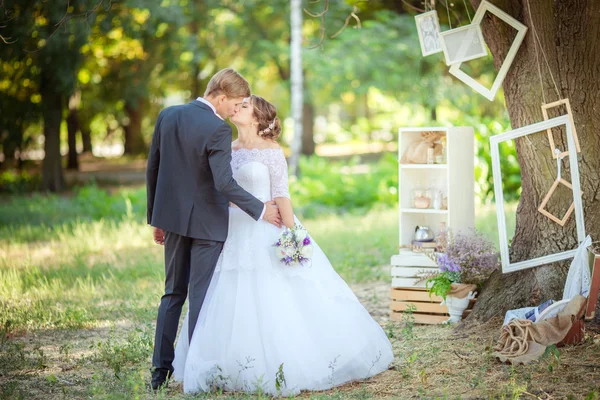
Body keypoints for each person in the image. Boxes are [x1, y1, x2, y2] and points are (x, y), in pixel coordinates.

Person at [172, 95, 394, 396]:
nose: (236, 108)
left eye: (245, 106)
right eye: (237, 104)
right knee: (226, 296)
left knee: (276, 294)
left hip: (268, 230)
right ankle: (228, 364)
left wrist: (292, 236)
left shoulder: (272, 152)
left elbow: (281, 194)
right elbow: (220, 191)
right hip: (233, 232)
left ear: (258, 118)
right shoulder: (227, 149)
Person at [146, 68, 282, 390]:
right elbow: (223, 182)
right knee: (202, 299)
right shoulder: (217, 128)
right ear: (221, 97)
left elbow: (153, 167)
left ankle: (159, 374)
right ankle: (197, 372)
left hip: (174, 222)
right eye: (234, 104)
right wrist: (261, 209)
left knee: (172, 295)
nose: (235, 111)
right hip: (207, 225)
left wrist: (156, 218)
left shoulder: (168, 115)